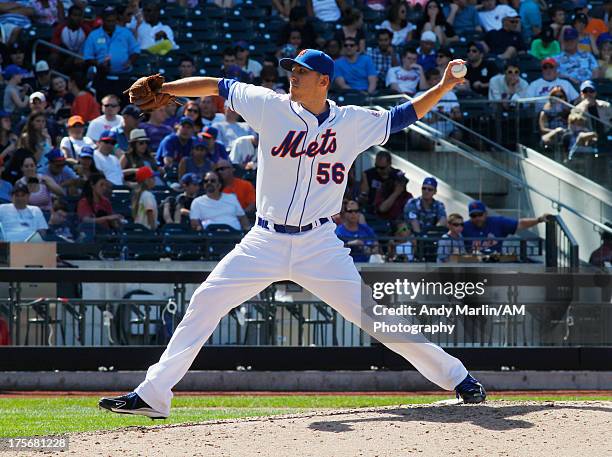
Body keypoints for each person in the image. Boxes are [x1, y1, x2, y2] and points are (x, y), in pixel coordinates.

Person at [99, 49, 486, 419]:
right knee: (205, 302)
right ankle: (152, 395)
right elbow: (218, 85)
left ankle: (459, 378)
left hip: (319, 245)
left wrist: (443, 87)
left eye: (300, 72)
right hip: (264, 241)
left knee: (374, 317)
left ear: (323, 81)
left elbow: (402, 116)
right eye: (291, 70)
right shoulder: (269, 105)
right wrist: (168, 89)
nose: (292, 77)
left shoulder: (352, 121)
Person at [462, 200, 548, 253]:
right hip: (472, 263)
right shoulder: (464, 227)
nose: (477, 218)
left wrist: (539, 220)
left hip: (494, 262)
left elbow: (520, 223)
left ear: (485, 213)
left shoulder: (497, 222)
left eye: (479, 214)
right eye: (473, 216)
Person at [82, 6, 140, 80]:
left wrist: (130, 61)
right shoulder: (94, 35)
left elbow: (136, 50)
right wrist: (99, 64)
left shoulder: (125, 32)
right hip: (102, 75)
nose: (111, 23)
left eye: (113, 21)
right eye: (108, 21)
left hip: (123, 75)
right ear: (103, 20)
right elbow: (88, 57)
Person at [131, 166, 158, 230]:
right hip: (146, 232)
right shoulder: (147, 195)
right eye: (152, 177)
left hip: (141, 232)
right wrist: (153, 230)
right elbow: (149, 213)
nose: (155, 179)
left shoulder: (142, 194)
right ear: (146, 180)